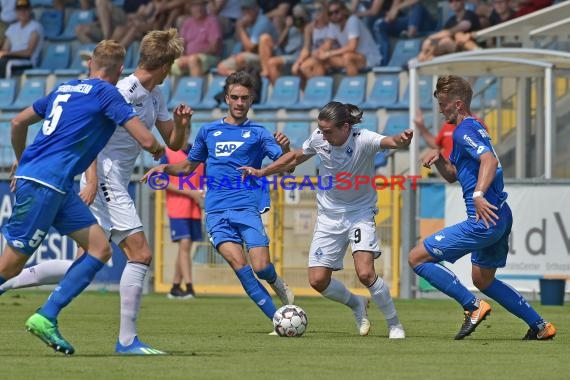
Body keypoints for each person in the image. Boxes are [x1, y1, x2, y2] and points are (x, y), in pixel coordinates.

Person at [0, 29, 190, 355]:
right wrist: (92, 179)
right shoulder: (116, 92)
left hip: (59, 182)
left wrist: (181, 125)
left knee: (95, 253)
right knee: (139, 254)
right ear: (165, 66)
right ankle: (126, 341)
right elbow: (115, 138)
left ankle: (44, 312)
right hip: (101, 179)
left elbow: (20, 123)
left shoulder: (151, 96)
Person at [239, 101, 412, 338]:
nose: (324, 134)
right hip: (329, 217)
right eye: (321, 129)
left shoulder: (363, 138)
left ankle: (394, 324)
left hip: (359, 213)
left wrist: (401, 140)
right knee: (318, 280)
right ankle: (356, 304)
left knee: (365, 273)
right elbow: (295, 157)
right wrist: (262, 172)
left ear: (345, 127)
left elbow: (391, 142)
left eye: (329, 131)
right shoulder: (320, 138)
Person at [141, 70, 295, 329]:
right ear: (226, 98)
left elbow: (287, 167)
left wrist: (286, 149)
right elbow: (189, 166)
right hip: (216, 212)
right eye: (234, 97)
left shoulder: (258, 132)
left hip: (247, 208)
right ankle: (279, 321)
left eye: (244, 98)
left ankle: (276, 282)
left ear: (251, 99)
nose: (239, 103)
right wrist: (164, 169)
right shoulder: (209, 131)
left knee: (261, 267)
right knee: (240, 266)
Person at [409, 75, 556, 340]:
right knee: (483, 279)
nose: (440, 110)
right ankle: (540, 326)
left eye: (443, 104)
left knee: (417, 258)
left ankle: (472, 305)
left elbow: (487, 159)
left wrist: (478, 193)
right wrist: (440, 158)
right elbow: (455, 174)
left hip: (483, 218)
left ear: (457, 104)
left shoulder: (464, 130)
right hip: (500, 214)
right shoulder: (474, 127)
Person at [161, 125, 205, 299]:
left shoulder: (198, 154)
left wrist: (202, 193)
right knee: (185, 245)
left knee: (186, 247)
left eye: (185, 131)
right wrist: (190, 193)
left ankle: (174, 287)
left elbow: (205, 178)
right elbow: (161, 181)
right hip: (178, 207)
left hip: (195, 207)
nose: (183, 135)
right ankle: (189, 287)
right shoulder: (168, 154)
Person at [0, 0, 43, 78]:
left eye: (25, 9)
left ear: (30, 10)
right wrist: (4, 53)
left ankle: (3, 87)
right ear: (16, 12)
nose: (22, 12)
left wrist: (6, 54)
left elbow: (28, 52)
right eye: (19, 9)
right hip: (11, 58)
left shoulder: (35, 27)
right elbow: (5, 48)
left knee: (5, 63)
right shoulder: (12, 27)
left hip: (28, 61)